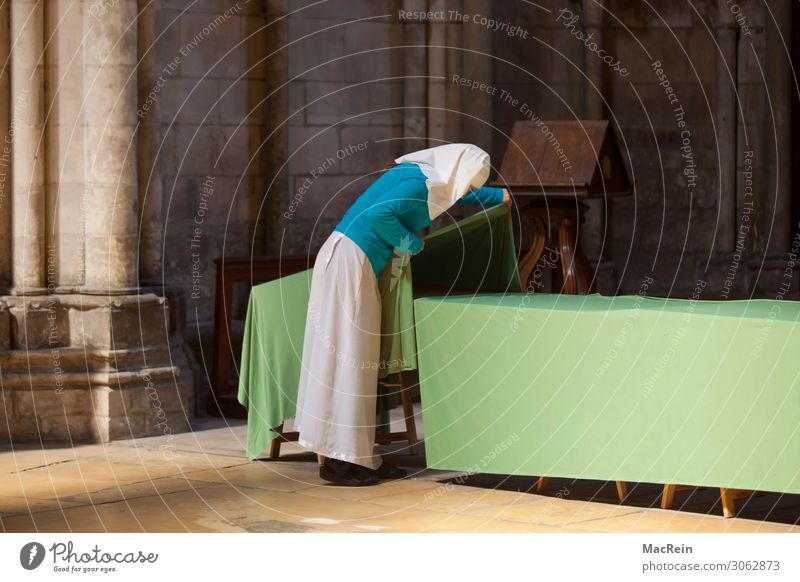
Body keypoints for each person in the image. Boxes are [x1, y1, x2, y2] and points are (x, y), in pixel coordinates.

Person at [293, 143, 512, 486]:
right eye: (470, 183)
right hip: (350, 262)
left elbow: (458, 192)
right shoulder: (420, 182)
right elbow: (380, 215)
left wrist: (499, 199)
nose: (468, 189)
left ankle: (362, 457)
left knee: (359, 360)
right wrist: (413, 243)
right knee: (351, 360)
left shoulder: (433, 175)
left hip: (356, 262)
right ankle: (339, 462)